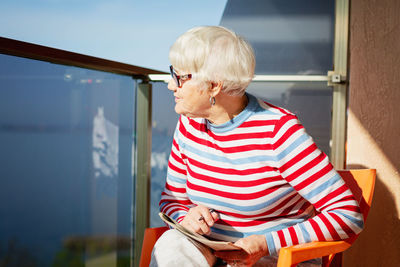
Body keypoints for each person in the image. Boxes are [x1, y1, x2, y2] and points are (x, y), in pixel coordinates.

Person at [150, 26, 364, 267]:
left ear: (214, 85)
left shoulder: (279, 132)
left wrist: (265, 243)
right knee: (170, 245)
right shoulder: (189, 125)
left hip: (273, 259)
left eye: (180, 76)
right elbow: (172, 200)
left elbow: (347, 214)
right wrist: (185, 218)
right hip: (211, 255)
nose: (170, 85)